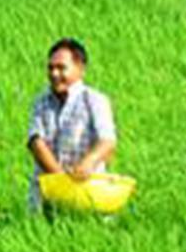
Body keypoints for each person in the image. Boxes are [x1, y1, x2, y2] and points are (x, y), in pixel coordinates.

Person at [26, 38, 118, 214]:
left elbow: (107, 140)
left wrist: (87, 163)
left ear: (80, 69)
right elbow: (35, 142)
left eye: (61, 68)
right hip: (46, 194)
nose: (54, 73)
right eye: (51, 68)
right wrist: (61, 182)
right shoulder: (41, 101)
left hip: (89, 194)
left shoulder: (94, 100)